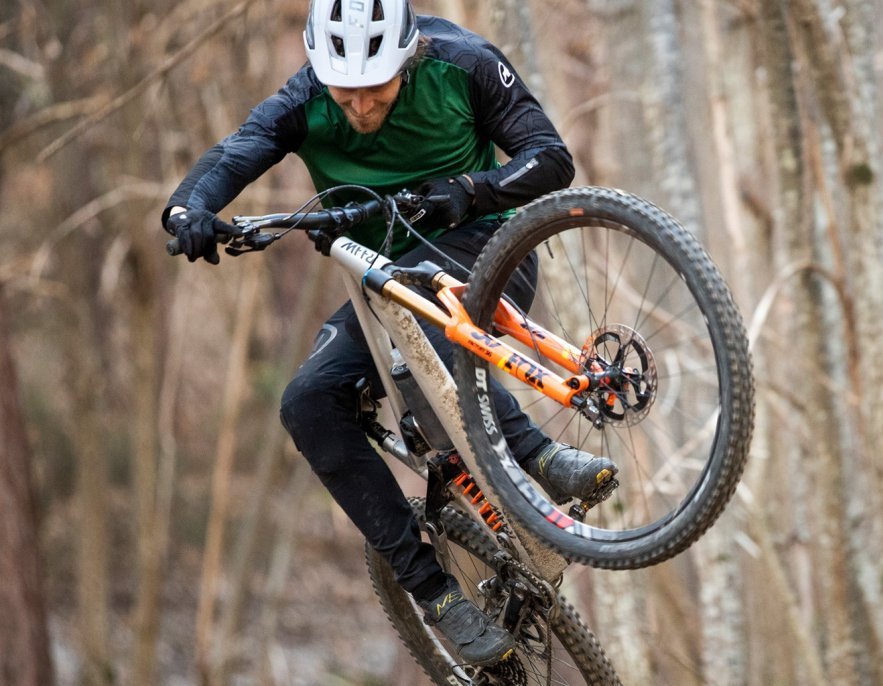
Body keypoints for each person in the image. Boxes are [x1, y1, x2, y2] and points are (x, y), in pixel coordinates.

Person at [162, 0, 617, 667]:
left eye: (373, 89)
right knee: (309, 403)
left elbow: (549, 160)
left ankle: (541, 457)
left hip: (484, 252)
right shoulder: (305, 97)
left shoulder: (463, 64)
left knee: (414, 299)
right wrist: (188, 209)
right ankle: (435, 596)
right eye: (344, 92)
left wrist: (468, 189)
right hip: (381, 288)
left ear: (406, 60)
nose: (359, 106)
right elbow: (233, 155)